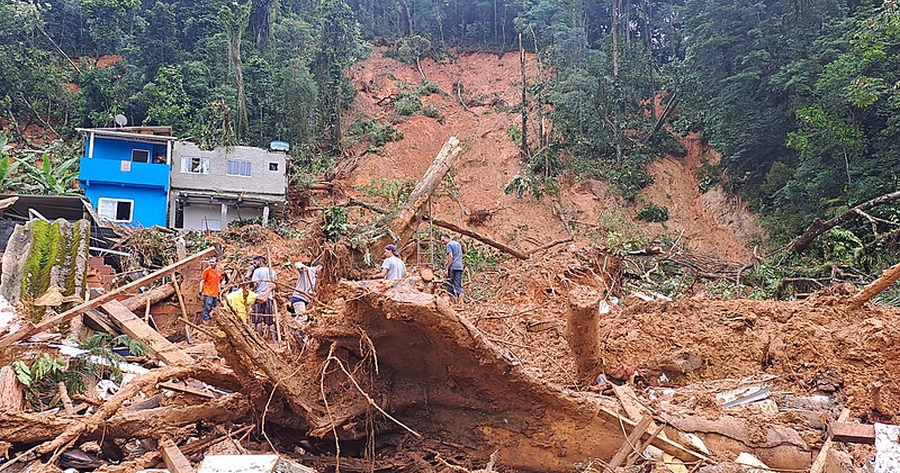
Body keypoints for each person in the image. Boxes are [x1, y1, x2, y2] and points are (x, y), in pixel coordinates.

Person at [248, 256, 277, 340]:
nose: (253, 265)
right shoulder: (272, 272)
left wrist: (251, 291)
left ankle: (259, 340)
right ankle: (274, 340)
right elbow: (275, 285)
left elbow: (255, 284)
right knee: (270, 320)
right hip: (269, 297)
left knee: (258, 320)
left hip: (258, 297)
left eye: (255, 262)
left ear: (260, 262)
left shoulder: (257, 271)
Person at [441, 234, 464, 300]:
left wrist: (447, 269)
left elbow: (451, 257)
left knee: (449, 283)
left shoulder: (449, 245)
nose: (443, 243)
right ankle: (460, 294)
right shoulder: (458, 244)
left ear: (448, 239)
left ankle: (450, 299)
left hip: (453, 267)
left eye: (443, 240)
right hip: (459, 266)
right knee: (457, 284)